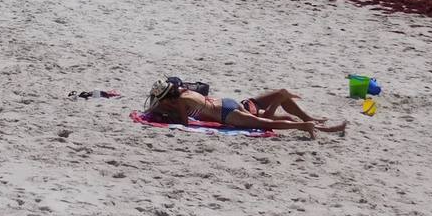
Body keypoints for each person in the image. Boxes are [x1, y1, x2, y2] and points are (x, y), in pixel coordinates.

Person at [145, 80, 345, 137]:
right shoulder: (186, 92)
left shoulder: (180, 102)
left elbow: (185, 123)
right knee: (267, 120)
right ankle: (315, 126)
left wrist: (166, 117)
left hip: (226, 114)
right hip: (227, 102)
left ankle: (306, 126)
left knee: (265, 124)